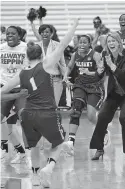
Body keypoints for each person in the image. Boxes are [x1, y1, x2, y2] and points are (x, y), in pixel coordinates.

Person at [1, 17, 80, 187]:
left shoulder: (21, 74)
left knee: (35, 147)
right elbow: (62, 45)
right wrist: (74, 24)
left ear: (27, 56)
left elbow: (3, 90)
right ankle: (49, 168)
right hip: (47, 112)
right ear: (41, 54)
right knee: (59, 144)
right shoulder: (46, 65)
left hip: (28, 115)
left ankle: (36, 178)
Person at [89, 32, 125, 161]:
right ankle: (99, 148)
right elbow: (100, 76)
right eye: (109, 42)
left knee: (124, 118)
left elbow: (124, 75)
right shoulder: (106, 55)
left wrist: (112, 66)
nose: (111, 43)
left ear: (119, 42)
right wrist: (100, 70)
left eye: (113, 41)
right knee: (102, 116)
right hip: (114, 92)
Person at [63, 35, 105, 155]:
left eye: (84, 42)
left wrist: (90, 72)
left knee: (91, 116)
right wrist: (66, 75)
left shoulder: (95, 55)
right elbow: (70, 66)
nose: (81, 44)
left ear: (89, 44)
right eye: (80, 42)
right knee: (76, 110)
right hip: (80, 85)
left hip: (95, 87)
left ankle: (104, 131)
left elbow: (101, 72)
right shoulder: (75, 54)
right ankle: (70, 142)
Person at [0, 26, 30, 164]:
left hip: (21, 88)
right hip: (4, 87)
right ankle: (13, 149)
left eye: (13, 34)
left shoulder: (26, 48)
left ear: (19, 35)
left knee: (23, 118)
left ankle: (30, 150)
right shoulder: (2, 47)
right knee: (3, 121)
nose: (9, 35)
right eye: (7, 33)